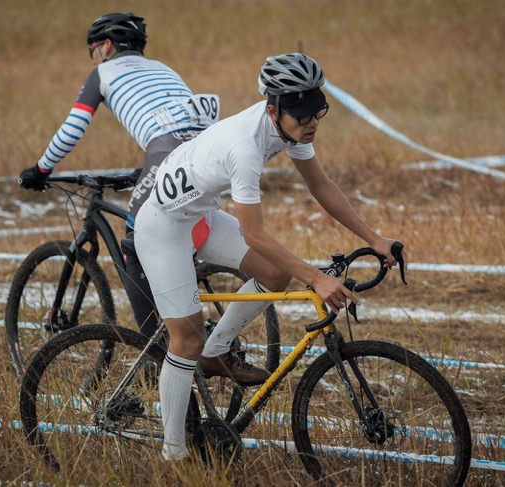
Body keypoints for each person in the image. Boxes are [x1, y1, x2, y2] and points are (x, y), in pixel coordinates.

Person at [133, 52, 409, 461]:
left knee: (276, 276)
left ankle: (218, 350)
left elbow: (322, 186)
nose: (311, 124)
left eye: (317, 113)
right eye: (302, 117)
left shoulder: (288, 130)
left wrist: (376, 237)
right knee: (186, 339)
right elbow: (255, 234)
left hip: (200, 218)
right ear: (272, 109)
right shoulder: (244, 147)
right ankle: (173, 455)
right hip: (162, 228)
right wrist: (317, 278)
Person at [18, 12, 220, 339]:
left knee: (136, 244)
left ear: (107, 45)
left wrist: (41, 169)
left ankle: (156, 351)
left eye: (93, 50)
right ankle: (189, 318)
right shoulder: (163, 68)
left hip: (167, 153)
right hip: (206, 150)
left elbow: (72, 130)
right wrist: (145, 170)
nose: (94, 56)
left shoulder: (102, 73)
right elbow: (182, 123)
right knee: (179, 237)